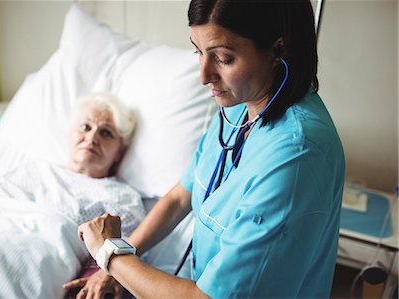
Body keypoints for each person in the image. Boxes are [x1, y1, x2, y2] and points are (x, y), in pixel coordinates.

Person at [74, 0, 345, 298]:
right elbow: (181, 196)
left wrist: (111, 254)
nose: (204, 76)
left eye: (223, 59)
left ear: (278, 50)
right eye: (198, 51)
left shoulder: (297, 154)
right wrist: (113, 264)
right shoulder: (240, 110)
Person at [0, 92, 146, 299]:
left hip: (19, 267)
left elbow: (120, 259)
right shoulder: (34, 169)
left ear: (119, 152)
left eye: (106, 133)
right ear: (71, 133)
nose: (92, 137)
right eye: (85, 126)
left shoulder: (122, 196)